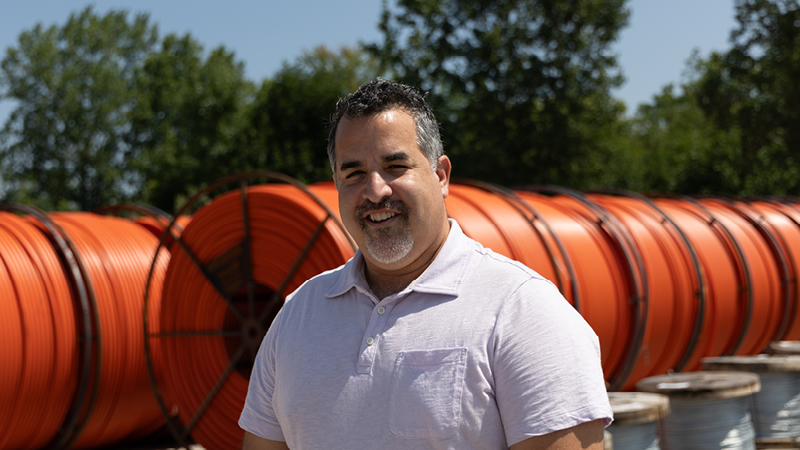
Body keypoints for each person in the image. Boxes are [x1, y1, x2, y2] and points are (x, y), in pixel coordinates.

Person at [239, 79, 612, 449]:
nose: (375, 190)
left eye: (395, 166)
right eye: (353, 174)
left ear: (440, 175)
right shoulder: (298, 314)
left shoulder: (521, 310)